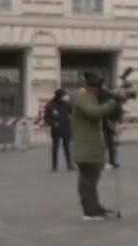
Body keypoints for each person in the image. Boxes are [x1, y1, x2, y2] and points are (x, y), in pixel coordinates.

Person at [70, 72, 120, 220]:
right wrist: (112, 102)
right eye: (98, 87)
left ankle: (95, 206)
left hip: (91, 146)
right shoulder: (82, 97)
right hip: (86, 146)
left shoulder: (88, 97)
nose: (100, 91)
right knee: (87, 181)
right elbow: (95, 112)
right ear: (92, 87)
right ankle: (89, 211)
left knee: (92, 178)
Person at [43, 88, 73, 172]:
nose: (65, 97)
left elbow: (72, 113)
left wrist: (71, 119)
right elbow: (46, 118)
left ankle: (69, 165)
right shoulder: (50, 105)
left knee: (67, 148)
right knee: (55, 148)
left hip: (66, 128)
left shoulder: (67, 104)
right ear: (59, 96)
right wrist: (53, 123)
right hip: (56, 130)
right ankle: (54, 166)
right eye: (64, 95)